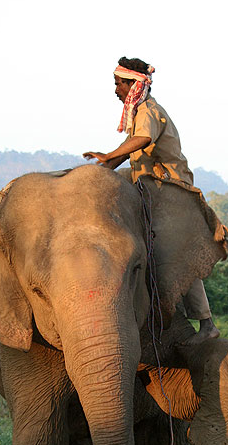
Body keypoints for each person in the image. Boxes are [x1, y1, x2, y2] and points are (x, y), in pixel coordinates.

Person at [83, 56, 220, 343]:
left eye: (118, 83)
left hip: (169, 194)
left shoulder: (147, 112)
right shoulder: (139, 112)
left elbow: (143, 140)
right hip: (152, 192)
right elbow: (132, 152)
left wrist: (110, 156)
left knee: (170, 255)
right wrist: (105, 166)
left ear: (133, 84)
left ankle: (205, 323)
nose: (116, 90)